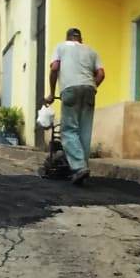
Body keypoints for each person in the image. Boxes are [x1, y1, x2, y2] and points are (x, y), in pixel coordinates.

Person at [45, 28, 105, 185]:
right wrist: (93, 86)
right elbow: (101, 74)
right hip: (89, 89)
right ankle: (82, 168)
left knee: (69, 130)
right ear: (80, 39)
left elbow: (54, 68)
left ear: (68, 38)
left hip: (70, 89)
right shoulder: (92, 51)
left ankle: (78, 167)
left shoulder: (61, 46)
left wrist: (51, 93)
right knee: (84, 131)